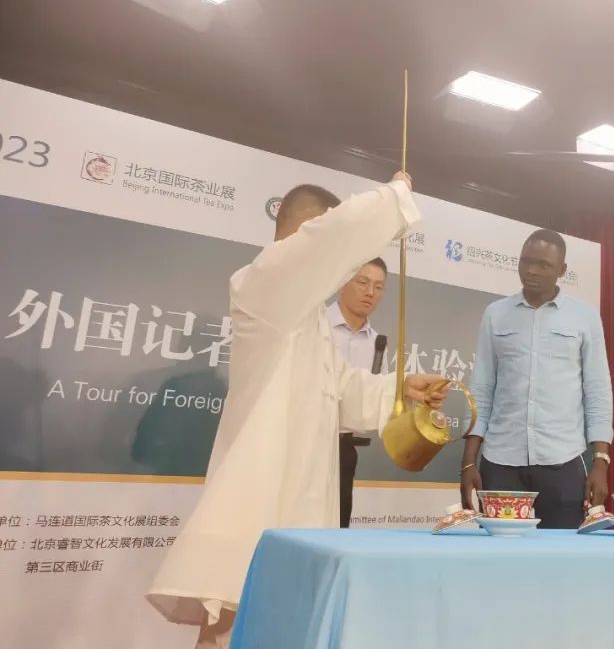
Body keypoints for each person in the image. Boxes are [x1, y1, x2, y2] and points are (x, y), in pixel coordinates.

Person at [147, 174, 446, 648]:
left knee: (281, 621)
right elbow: (333, 236)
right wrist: (393, 197)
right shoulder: (262, 284)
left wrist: (401, 389)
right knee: (230, 624)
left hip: (301, 496)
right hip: (261, 493)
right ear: (303, 232)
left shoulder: (307, 316)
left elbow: (343, 390)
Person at [459, 229, 614, 528]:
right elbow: (481, 389)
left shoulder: (585, 317)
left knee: (559, 552)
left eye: (543, 264)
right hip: (501, 461)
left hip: (564, 460)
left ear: (562, 270)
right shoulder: (495, 314)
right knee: (498, 552)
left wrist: (600, 462)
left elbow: (597, 391)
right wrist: (468, 462)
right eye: (526, 261)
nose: (531, 270)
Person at [331, 257, 389, 528]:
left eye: (378, 287)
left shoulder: (378, 343)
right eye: (363, 283)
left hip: (344, 448)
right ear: (343, 283)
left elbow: (377, 395)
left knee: (338, 525)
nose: (370, 293)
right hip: (305, 440)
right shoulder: (316, 326)